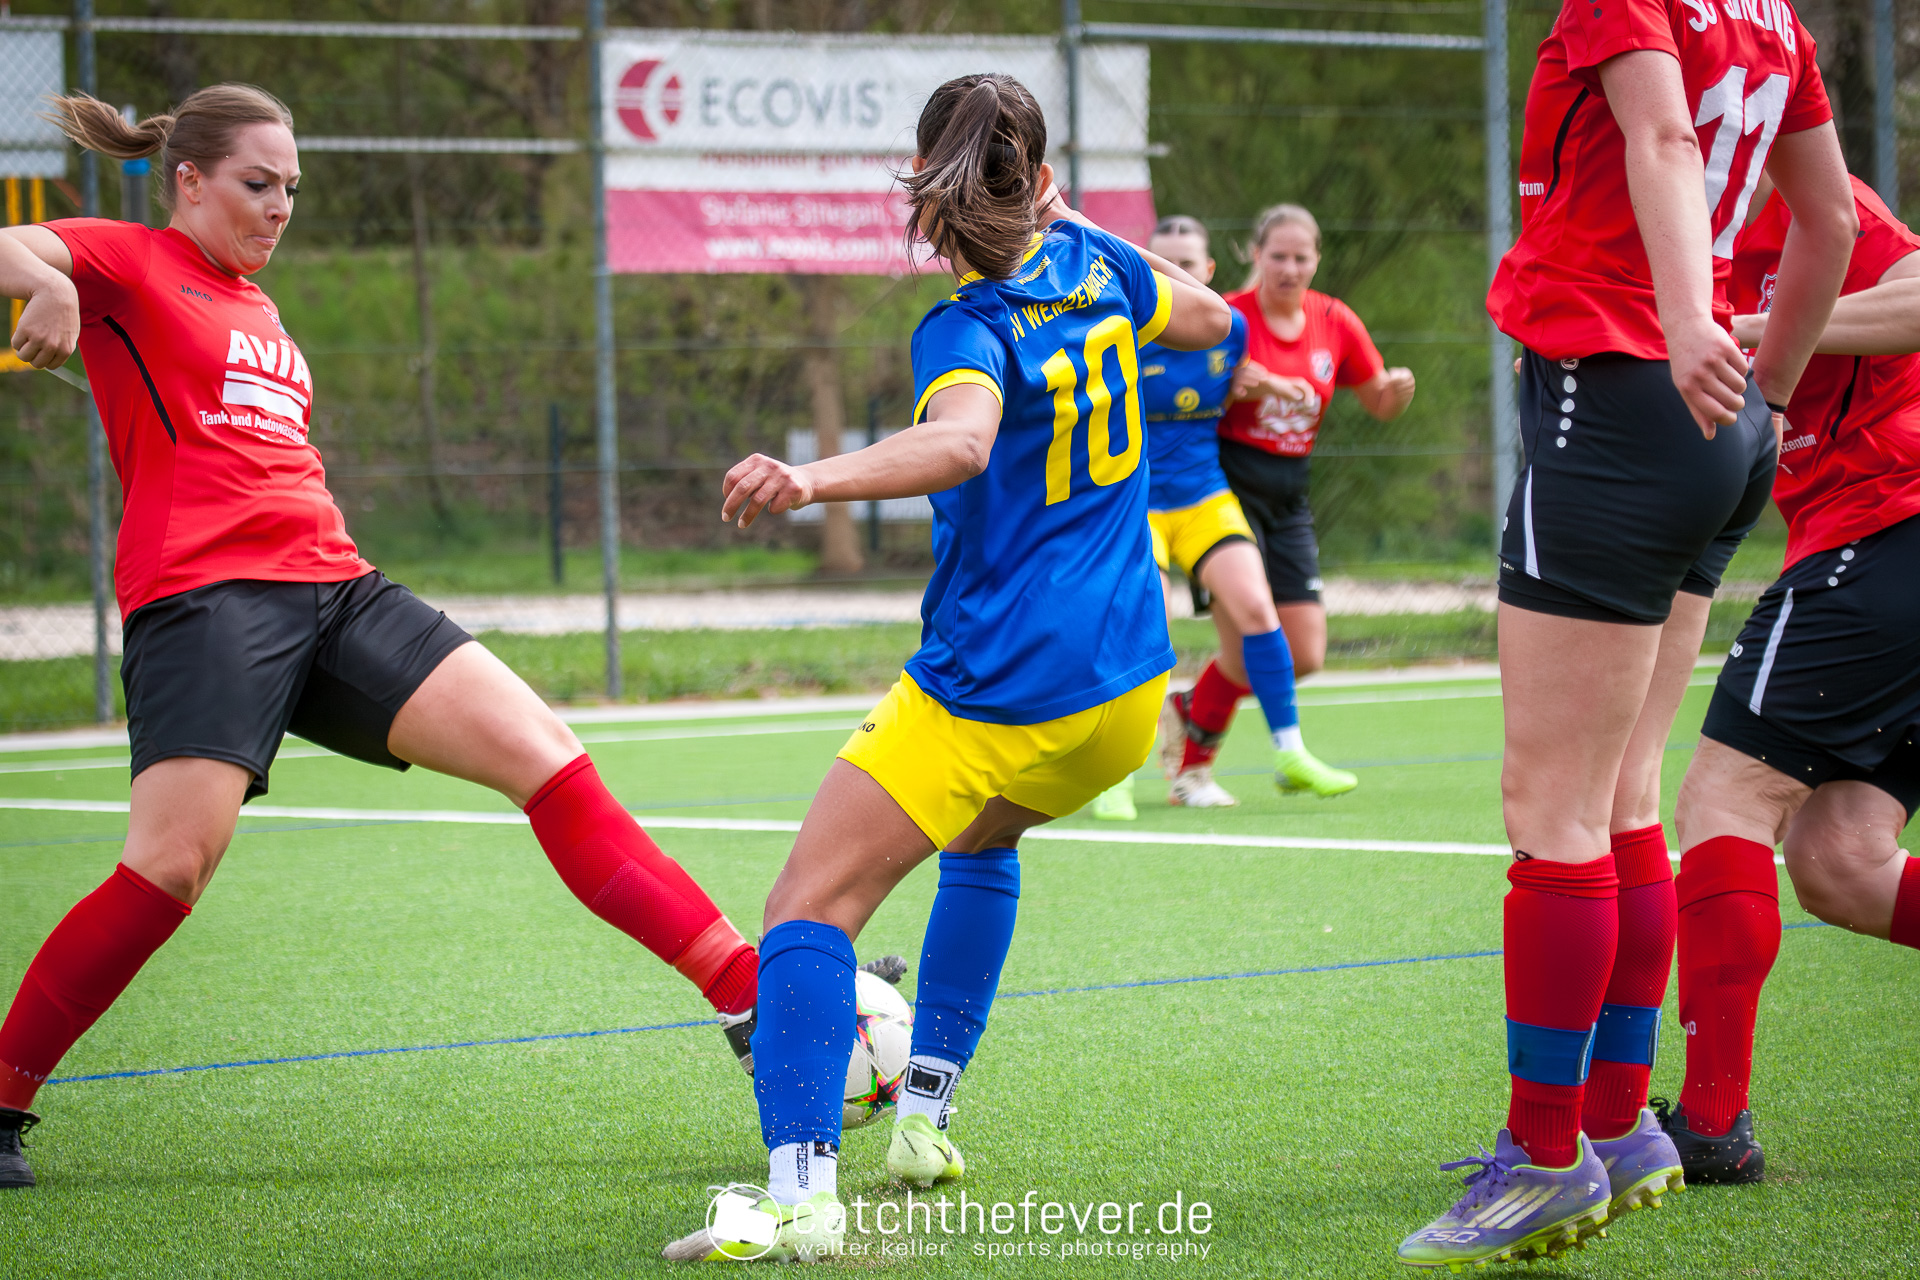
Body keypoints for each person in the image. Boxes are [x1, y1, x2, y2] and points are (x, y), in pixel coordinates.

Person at [0, 86, 765, 1190]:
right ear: (188, 180)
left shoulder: (259, 307)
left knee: (548, 757)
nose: (279, 207)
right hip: (208, 598)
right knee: (170, 866)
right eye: (257, 184)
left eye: (292, 189)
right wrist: (51, 283)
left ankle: (748, 993)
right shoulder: (130, 260)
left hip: (338, 588)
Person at [662, 73, 1231, 1262]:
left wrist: (811, 476)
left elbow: (964, 440)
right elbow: (1213, 319)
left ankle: (803, 1192)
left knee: (805, 909)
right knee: (981, 841)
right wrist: (1075, 223)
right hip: (1126, 697)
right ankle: (922, 1118)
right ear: (1043, 178)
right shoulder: (1100, 266)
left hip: (998, 683)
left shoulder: (965, 326)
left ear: (928, 191)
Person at [1395, 4, 1857, 1272]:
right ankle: (1616, 1123)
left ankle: (1547, 1153)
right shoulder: (1776, 19)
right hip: (1714, 421)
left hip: (1616, 395)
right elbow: (1828, 220)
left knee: (1551, 806)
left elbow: (1662, 137)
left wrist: (1684, 319)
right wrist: (1768, 390)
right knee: (1625, 795)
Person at [1659, 171, 1920, 1186]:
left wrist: (1758, 333)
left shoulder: (1802, 192)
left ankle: (1711, 1123)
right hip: (1869, 539)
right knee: (1841, 858)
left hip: (1885, 529)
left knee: (1724, 797)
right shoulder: (1672, 222)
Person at [1089, 214, 1355, 821]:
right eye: (1157, 262)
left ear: (1208, 272)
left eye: (1185, 264)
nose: (1170, 274)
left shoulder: (1231, 329)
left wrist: (1269, 387)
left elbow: (1244, 385)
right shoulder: (1113, 329)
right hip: (1134, 501)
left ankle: (1291, 753)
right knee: (1148, 625)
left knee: (1259, 609)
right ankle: (1116, 776)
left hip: (1204, 496)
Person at [1210, 203, 1415, 686]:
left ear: (1317, 260)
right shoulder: (1227, 317)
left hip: (1290, 491)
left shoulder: (1334, 319)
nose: (1289, 269)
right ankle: (1202, 731)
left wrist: (1399, 391)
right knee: (1245, 651)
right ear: (1257, 255)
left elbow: (1380, 402)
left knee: (1304, 654)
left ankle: (1191, 708)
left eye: (1301, 258)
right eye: (1278, 257)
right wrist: (1232, 389)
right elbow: (1181, 404)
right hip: (1226, 485)